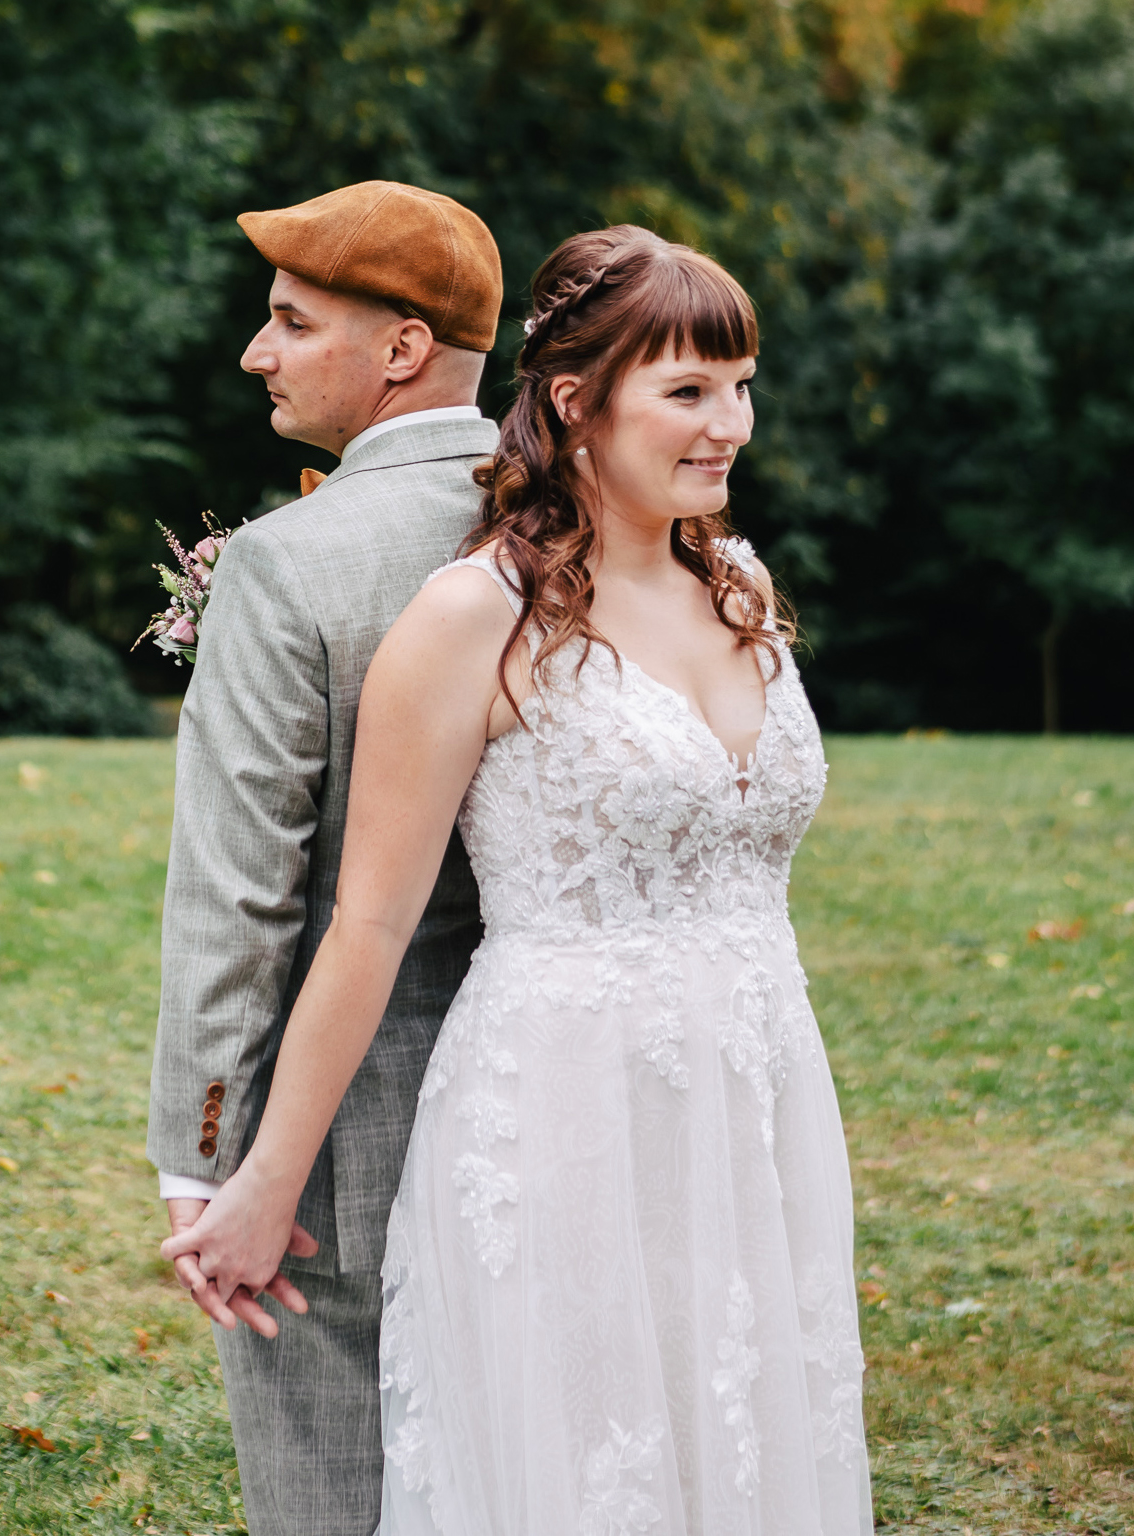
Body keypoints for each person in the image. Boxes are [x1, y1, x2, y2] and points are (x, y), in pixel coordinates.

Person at [166, 224, 875, 1534]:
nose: (734, 423)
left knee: (740, 1438)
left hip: (753, 1097)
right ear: (572, 399)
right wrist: (257, 1177)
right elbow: (367, 923)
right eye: (691, 390)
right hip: (562, 1112)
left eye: (742, 383)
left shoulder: (741, 587)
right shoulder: (473, 615)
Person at [147, 181, 502, 1536]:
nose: (257, 350)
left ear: (401, 348)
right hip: (560, 1102)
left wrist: (207, 1156)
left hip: (335, 1148)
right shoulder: (588, 531)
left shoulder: (293, 567)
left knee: (330, 1490)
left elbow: (239, 896)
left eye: (292, 322)